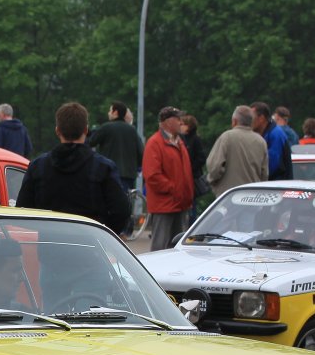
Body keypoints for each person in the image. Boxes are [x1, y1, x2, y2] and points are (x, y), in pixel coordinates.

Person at [14, 102, 130, 233]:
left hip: (49, 240)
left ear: (57, 130)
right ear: (86, 130)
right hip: (90, 240)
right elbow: (121, 211)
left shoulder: (38, 166)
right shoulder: (103, 168)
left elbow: (23, 210)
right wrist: (103, 232)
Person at [142, 106, 195, 251]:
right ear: (167, 121)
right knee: (160, 247)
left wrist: (186, 195)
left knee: (178, 248)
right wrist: (174, 189)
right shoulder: (155, 143)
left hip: (181, 204)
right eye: (178, 119)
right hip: (164, 206)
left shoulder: (179, 142)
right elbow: (152, 175)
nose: (181, 122)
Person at [206, 106, 269, 193]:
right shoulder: (261, 141)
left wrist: (212, 181)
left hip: (229, 194)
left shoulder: (227, 137)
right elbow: (264, 174)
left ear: (234, 121)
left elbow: (215, 166)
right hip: (252, 195)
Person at [87, 102, 143, 194]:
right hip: (128, 175)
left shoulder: (106, 127)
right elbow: (141, 152)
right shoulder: (132, 130)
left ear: (115, 112)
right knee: (124, 198)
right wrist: (136, 168)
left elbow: (91, 142)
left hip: (109, 173)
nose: (108, 113)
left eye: (110, 111)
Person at [251, 102, 292, 180]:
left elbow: (272, 166)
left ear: (261, 118)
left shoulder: (275, 134)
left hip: (277, 184)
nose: (250, 120)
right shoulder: (266, 133)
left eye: (252, 117)